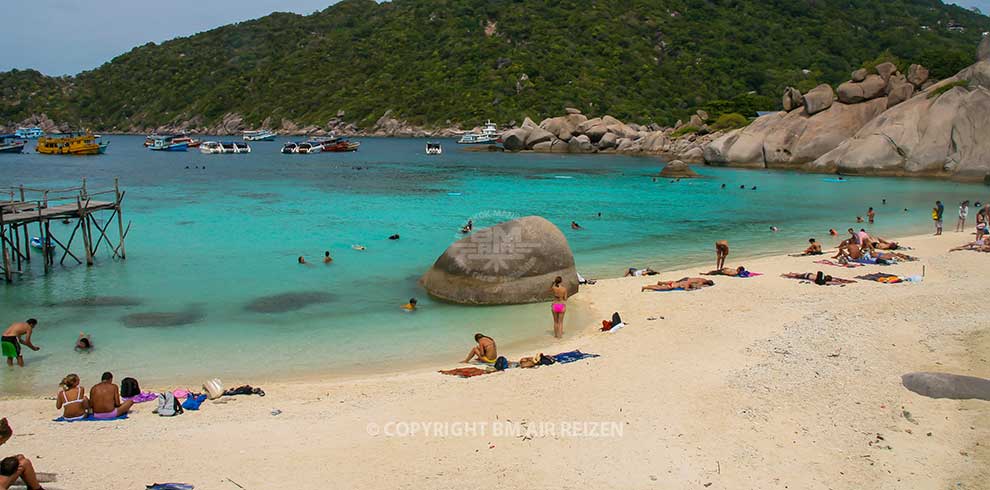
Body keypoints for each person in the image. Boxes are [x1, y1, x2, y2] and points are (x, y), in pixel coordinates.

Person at [641, 277, 713, 291]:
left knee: (673, 281)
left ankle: (660, 282)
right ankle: (646, 287)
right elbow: (686, 289)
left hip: (683, 279)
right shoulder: (701, 282)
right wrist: (693, 288)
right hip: (671, 286)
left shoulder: (702, 279)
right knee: (658, 288)